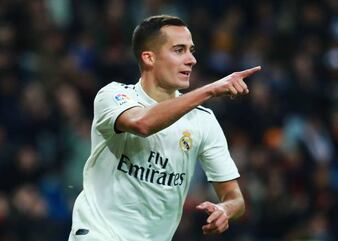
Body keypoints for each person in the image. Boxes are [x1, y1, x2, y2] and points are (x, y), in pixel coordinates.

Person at [68, 15, 261, 241]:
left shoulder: (203, 121)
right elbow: (143, 123)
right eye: (179, 50)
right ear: (149, 58)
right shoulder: (113, 96)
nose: (191, 60)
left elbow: (234, 198)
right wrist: (210, 90)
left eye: (191, 50)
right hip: (98, 234)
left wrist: (225, 210)